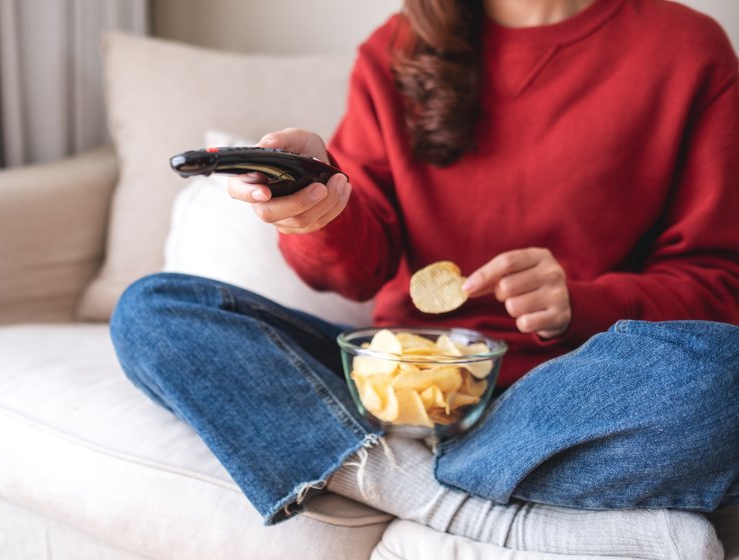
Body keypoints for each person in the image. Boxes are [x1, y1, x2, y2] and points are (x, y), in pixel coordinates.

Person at [110, 0, 739, 557]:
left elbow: (721, 281)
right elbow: (357, 272)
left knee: (726, 376)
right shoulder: (398, 48)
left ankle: (396, 469)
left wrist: (584, 303)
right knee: (153, 312)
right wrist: (320, 209)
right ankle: (451, 502)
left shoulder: (685, 48)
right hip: (393, 390)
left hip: (571, 400)